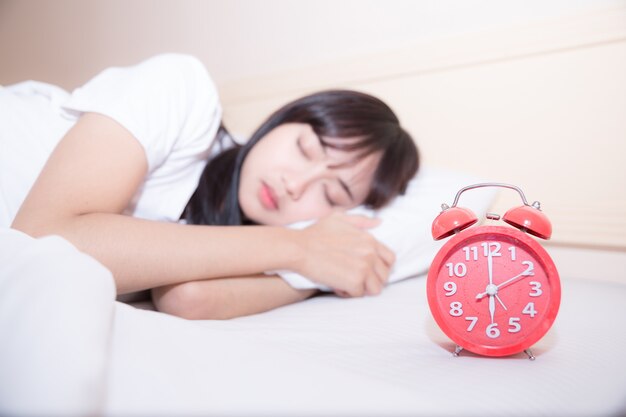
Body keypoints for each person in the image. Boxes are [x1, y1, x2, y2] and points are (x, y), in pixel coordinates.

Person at [2, 53, 419, 319]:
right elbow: (45, 238)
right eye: (305, 149)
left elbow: (189, 298)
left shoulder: (232, 235)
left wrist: (318, 270)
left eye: (331, 195)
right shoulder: (182, 90)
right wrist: (301, 248)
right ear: (281, 121)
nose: (296, 184)